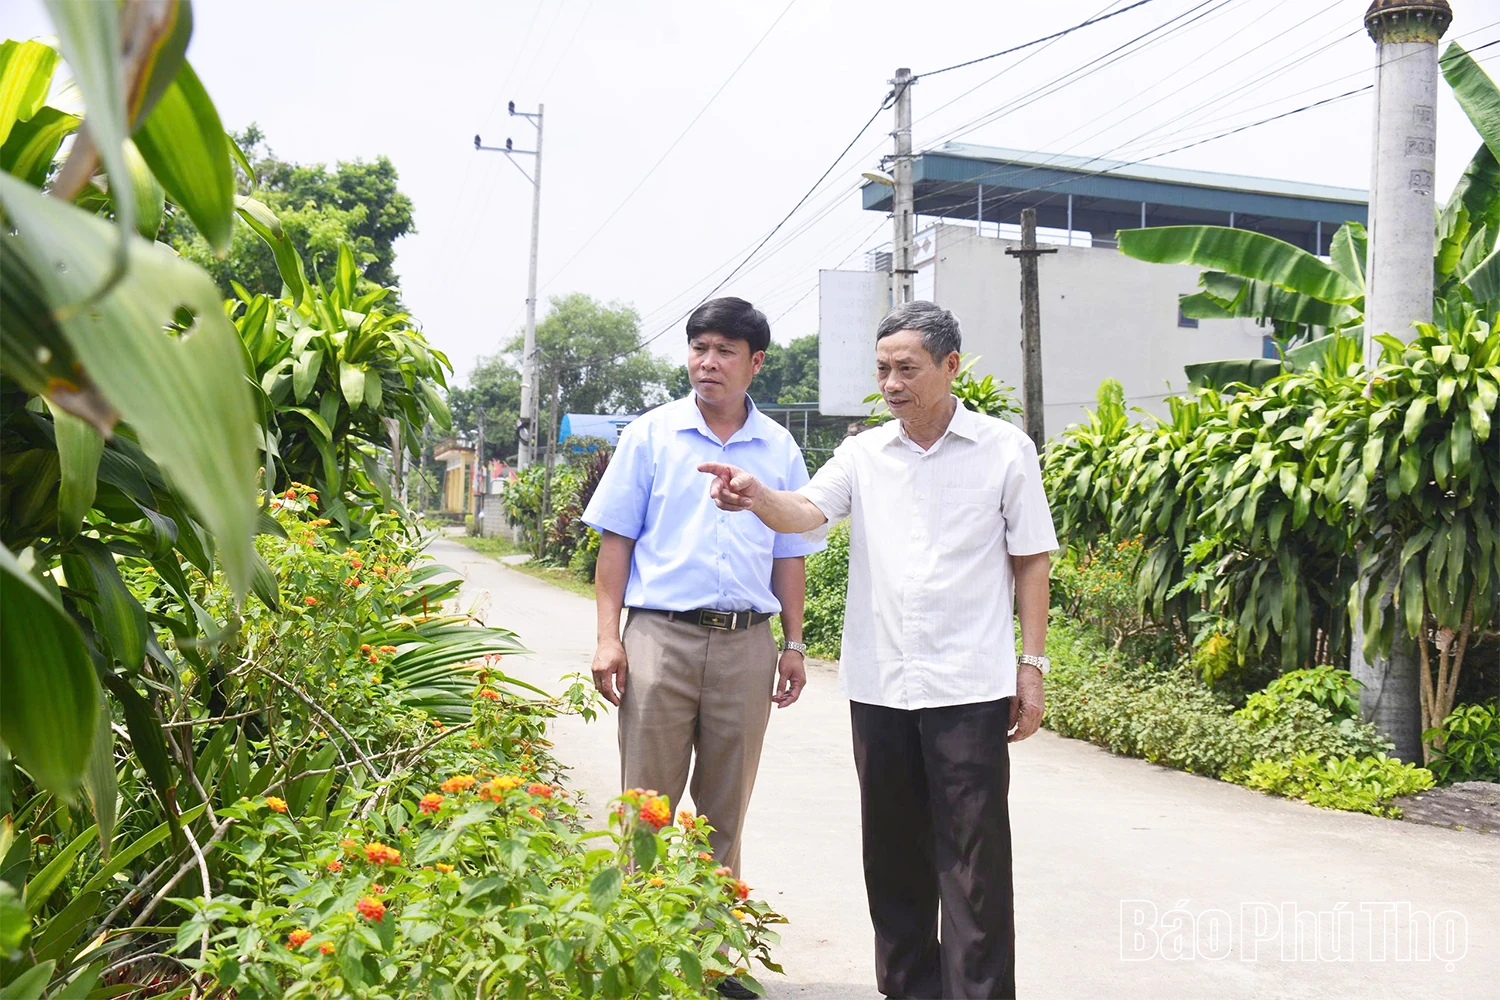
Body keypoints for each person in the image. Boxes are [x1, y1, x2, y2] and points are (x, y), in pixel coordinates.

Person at [698, 300, 1057, 1000]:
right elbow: (807, 511)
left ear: (950, 367)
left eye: (907, 369)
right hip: (880, 686)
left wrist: (1032, 667)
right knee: (892, 861)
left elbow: (1032, 560)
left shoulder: (1005, 450)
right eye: (883, 370)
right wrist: (756, 497)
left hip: (969, 685)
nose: (891, 384)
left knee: (975, 865)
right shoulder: (863, 453)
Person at [582, 296, 822, 1000]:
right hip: (660, 635)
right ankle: (638, 956)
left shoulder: (778, 448)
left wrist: (795, 643)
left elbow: (791, 553)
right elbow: (615, 542)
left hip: (748, 643)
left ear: (756, 363)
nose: (707, 362)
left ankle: (710, 962)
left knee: (725, 806)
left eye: (723, 351)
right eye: (699, 348)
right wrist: (607, 638)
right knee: (647, 803)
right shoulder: (653, 437)